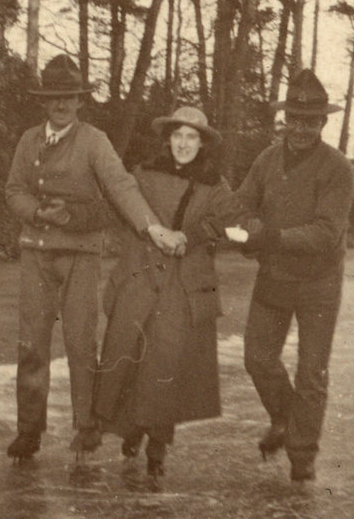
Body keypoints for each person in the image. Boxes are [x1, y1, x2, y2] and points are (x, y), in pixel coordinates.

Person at [4, 54, 183, 464]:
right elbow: (13, 191)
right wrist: (35, 212)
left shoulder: (94, 141)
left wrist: (152, 228)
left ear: (80, 100)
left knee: (81, 343)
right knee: (32, 343)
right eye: (53, 98)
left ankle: (87, 427)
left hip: (81, 256)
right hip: (36, 253)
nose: (61, 105)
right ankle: (29, 430)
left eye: (68, 97)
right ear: (43, 102)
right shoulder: (28, 140)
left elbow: (121, 187)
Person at [92, 106, 247, 491]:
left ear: (202, 143)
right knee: (130, 358)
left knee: (168, 365)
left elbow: (234, 221)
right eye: (177, 135)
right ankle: (131, 429)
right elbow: (125, 208)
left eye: (191, 137)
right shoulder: (143, 173)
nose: (182, 143)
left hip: (185, 282)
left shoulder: (215, 184)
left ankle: (157, 447)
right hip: (141, 276)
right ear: (168, 138)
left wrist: (193, 237)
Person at [235, 69, 354, 482]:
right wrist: (246, 230)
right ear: (284, 120)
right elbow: (241, 204)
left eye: (312, 120)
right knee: (257, 358)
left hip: (319, 284)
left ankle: (302, 457)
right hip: (274, 276)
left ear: (324, 122)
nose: (302, 128)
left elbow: (326, 233)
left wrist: (268, 235)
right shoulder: (266, 160)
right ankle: (287, 419)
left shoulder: (338, 168)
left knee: (312, 371)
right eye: (295, 119)